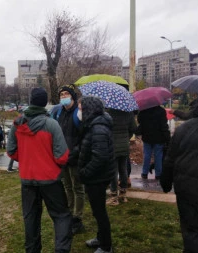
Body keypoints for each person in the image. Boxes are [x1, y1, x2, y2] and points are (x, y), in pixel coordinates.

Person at [7, 87, 72, 253]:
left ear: (30, 101)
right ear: (45, 103)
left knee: (31, 218)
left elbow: (11, 151)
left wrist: (28, 159)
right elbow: (62, 156)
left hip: (27, 180)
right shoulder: (52, 124)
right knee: (61, 216)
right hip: (50, 179)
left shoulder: (18, 123)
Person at [160, 90, 198, 253]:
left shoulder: (184, 129)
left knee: (192, 228)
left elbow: (169, 159)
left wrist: (165, 183)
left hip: (186, 189)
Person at [77, 96, 115, 253]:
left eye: (80, 109)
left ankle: (106, 247)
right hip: (96, 177)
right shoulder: (93, 125)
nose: (79, 112)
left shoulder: (98, 128)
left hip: (97, 178)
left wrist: (84, 173)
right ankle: (101, 238)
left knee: (100, 212)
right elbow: (86, 146)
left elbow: (100, 157)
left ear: (88, 109)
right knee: (97, 211)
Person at [52, 84, 85, 235]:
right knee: (67, 186)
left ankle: (77, 218)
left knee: (77, 187)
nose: (63, 96)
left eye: (66, 94)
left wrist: (75, 153)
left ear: (72, 96)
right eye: (61, 94)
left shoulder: (78, 114)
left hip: (75, 157)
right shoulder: (59, 113)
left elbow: (84, 137)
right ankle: (70, 212)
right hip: (62, 157)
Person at [106, 109, 137, 205]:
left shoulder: (108, 113)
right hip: (124, 146)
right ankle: (123, 194)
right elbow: (133, 129)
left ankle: (114, 196)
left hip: (112, 146)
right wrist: (126, 138)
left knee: (113, 171)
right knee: (123, 169)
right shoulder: (128, 112)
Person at [136, 105, 170, 179]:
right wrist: (168, 138)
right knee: (158, 156)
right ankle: (158, 174)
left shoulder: (143, 111)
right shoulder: (161, 111)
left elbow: (139, 121)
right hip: (159, 138)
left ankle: (144, 173)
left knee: (147, 155)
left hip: (147, 137)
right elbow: (164, 125)